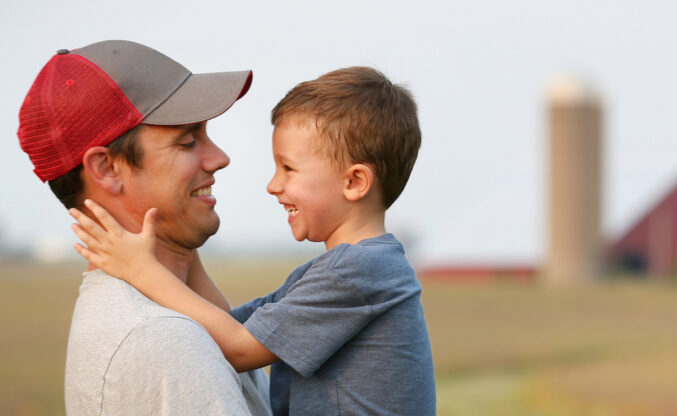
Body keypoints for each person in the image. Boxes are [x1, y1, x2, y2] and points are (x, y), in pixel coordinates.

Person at [71, 67, 437, 415]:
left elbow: (240, 349)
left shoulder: (357, 272)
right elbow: (229, 324)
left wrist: (141, 270)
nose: (273, 185)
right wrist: (181, 242)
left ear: (354, 182)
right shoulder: (348, 270)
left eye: (288, 168)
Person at [17, 40, 271, 415]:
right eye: (188, 141)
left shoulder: (169, 316)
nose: (220, 158)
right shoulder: (162, 338)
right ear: (107, 169)